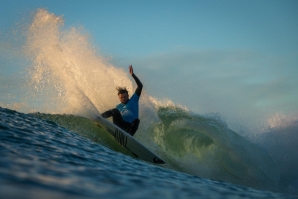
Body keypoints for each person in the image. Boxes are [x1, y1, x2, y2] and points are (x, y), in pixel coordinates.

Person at [101, 65, 143, 136]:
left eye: (125, 97)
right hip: (120, 126)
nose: (123, 98)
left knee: (137, 121)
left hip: (129, 127)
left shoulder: (134, 100)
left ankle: (129, 137)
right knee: (114, 111)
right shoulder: (118, 106)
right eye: (122, 97)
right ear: (119, 98)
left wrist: (133, 75)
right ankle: (99, 117)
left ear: (128, 96)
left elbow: (140, 86)